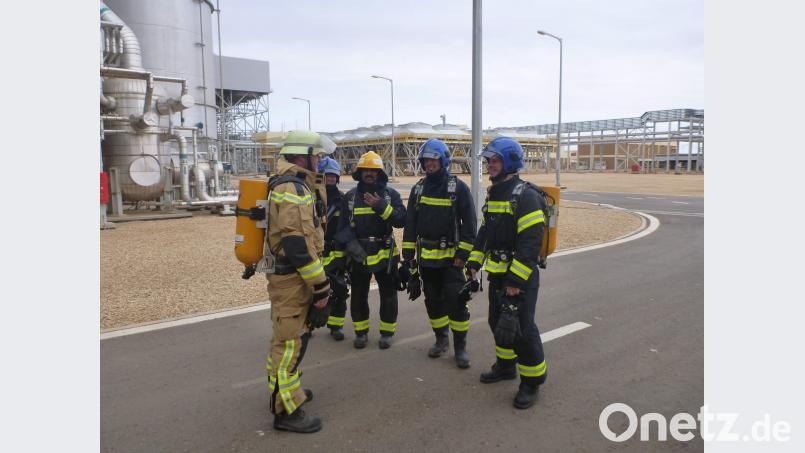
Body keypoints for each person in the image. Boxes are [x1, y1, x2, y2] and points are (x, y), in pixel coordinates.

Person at [465, 137, 548, 409]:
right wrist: (474, 263)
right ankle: (505, 367)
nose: (490, 165)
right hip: (498, 275)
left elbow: (531, 242)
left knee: (522, 330)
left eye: (495, 160)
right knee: (497, 323)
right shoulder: (495, 193)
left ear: (510, 162)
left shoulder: (527, 195)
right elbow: (485, 233)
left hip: (519, 280)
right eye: (488, 161)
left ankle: (532, 381)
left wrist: (515, 281)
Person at [265, 130, 333, 433]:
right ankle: (286, 412)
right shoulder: (293, 188)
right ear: (302, 155)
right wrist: (321, 285)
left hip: (291, 279)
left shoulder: (294, 184)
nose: (320, 160)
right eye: (316, 154)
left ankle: (286, 393)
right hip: (294, 280)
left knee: (287, 341)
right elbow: (297, 245)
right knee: (290, 345)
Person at [401, 139, 477, 368]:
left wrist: (462, 255)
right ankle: (441, 339)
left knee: (457, 302)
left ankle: (461, 347)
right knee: (433, 302)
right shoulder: (418, 188)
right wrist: (408, 257)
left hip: (451, 261)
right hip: (426, 262)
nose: (429, 164)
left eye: (433, 159)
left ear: (442, 160)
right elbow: (410, 223)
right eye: (426, 160)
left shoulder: (458, 187)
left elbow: (470, 224)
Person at [334, 151, 406, 349]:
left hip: (385, 252)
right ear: (359, 172)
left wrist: (381, 206)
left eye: (373, 170)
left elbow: (401, 220)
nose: (369, 173)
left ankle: (387, 333)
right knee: (358, 294)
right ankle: (361, 333)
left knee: (389, 294)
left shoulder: (390, 195)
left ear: (380, 173)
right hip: (359, 253)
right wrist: (351, 246)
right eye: (366, 170)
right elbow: (342, 229)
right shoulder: (350, 197)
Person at [318, 156, 349, 341]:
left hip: (335, 254)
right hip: (314, 254)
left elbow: (347, 227)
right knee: (310, 291)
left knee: (339, 291)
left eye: (333, 176)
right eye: (327, 176)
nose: (330, 179)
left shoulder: (342, 200)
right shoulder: (310, 198)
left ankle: (336, 326)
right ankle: (308, 325)